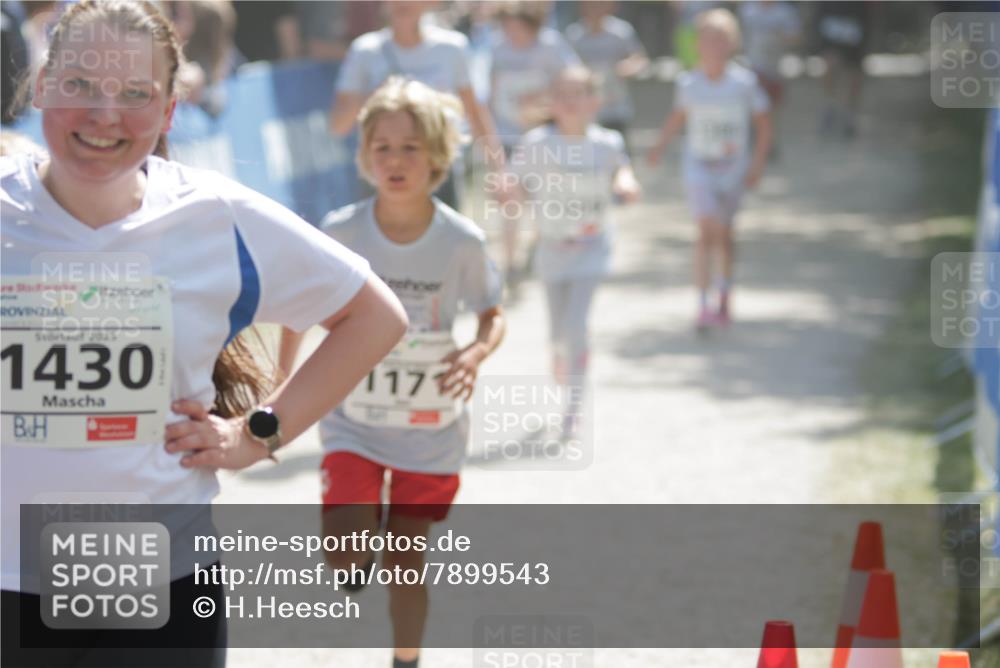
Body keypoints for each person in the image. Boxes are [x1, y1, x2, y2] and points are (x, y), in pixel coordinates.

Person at [0, 2, 408, 666]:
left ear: (168, 111)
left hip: (163, 583)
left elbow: (375, 317)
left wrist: (256, 434)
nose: (105, 114)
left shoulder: (217, 216)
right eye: (80, 85)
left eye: (135, 94)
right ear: (42, 86)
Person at [282, 77, 505, 668]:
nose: (396, 160)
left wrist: (475, 353)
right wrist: (280, 393)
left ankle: (407, 660)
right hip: (353, 420)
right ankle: (357, 547)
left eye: (410, 147)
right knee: (344, 551)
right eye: (382, 147)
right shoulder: (341, 231)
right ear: (364, 155)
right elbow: (296, 308)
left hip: (429, 427)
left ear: (437, 156)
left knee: (407, 561)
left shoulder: (461, 240)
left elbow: (492, 314)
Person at [506, 66, 639, 435]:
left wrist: (627, 185)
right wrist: (508, 191)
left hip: (592, 248)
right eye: (561, 94)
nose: (569, 102)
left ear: (594, 101)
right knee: (557, 331)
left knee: (576, 326)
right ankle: (559, 353)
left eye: (578, 93)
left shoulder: (606, 143)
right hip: (551, 249)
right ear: (551, 102)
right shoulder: (537, 143)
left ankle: (573, 407)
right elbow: (516, 183)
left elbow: (622, 171)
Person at [647, 8, 772, 332]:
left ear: (733, 43)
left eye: (722, 39)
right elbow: (679, 116)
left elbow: (763, 123)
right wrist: (659, 146)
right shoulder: (689, 83)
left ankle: (724, 292)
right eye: (708, 38)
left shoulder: (744, 83)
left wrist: (758, 162)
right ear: (697, 43)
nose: (714, 45)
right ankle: (703, 303)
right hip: (699, 167)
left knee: (725, 234)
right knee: (705, 230)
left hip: (733, 170)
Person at [328, 0, 501, 210]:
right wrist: (379, 97)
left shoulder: (452, 48)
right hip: (384, 174)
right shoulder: (364, 51)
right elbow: (338, 125)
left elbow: (475, 112)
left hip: (438, 172)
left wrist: (498, 170)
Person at [489, 0, 580, 285]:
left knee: (543, 197)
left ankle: (536, 244)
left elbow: (573, 81)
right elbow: (490, 88)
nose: (512, 33)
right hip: (507, 134)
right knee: (509, 199)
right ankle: (510, 262)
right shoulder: (498, 47)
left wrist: (542, 98)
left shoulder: (552, 46)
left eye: (518, 27)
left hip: (542, 136)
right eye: (508, 27)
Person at [564, 0, 648, 157]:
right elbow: (566, 68)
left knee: (619, 155)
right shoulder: (574, 35)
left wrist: (627, 67)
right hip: (586, 110)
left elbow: (639, 59)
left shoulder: (621, 31)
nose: (595, 9)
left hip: (615, 107)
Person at [739, 0, 801, 159]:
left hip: (776, 68)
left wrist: (779, 35)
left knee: (773, 108)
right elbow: (740, 36)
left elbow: (796, 37)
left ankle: (770, 143)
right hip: (753, 66)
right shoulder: (748, 9)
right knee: (754, 106)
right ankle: (755, 142)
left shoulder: (785, 11)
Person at [815, 0, 871, 140]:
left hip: (854, 47)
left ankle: (849, 115)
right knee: (829, 70)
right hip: (832, 44)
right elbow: (820, 21)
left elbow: (866, 22)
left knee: (853, 80)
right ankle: (829, 108)